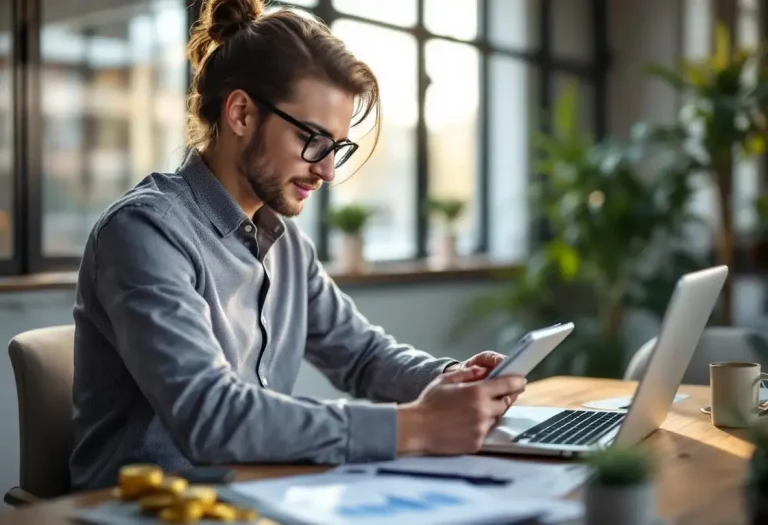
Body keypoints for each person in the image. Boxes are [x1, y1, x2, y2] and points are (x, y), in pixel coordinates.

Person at [69, 0, 527, 491]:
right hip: (142, 509)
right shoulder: (144, 231)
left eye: (336, 148)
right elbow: (211, 417)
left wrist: (456, 379)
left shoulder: (285, 243)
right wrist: (416, 427)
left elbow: (362, 356)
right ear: (241, 113)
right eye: (313, 139)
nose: (327, 171)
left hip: (259, 496)